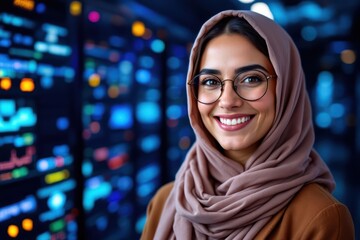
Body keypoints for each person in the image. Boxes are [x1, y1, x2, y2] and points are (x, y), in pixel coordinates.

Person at [140, 10, 355, 240]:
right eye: (211, 82)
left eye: (251, 79)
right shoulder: (166, 202)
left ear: (286, 90)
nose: (228, 101)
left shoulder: (320, 218)